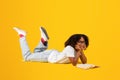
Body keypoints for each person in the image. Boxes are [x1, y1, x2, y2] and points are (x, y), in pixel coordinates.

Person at [13, 27, 89, 66]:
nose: (82, 44)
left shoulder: (76, 51)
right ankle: (22, 35)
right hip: (49, 56)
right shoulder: (70, 48)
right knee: (27, 57)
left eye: (84, 42)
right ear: (74, 42)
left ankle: (44, 40)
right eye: (80, 42)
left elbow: (84, 62)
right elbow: (74, 63)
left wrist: (81, 51)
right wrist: (79, 51)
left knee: (37, 52)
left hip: (53, 54)